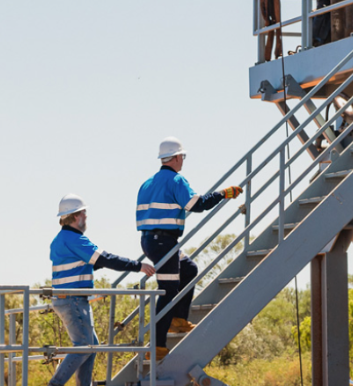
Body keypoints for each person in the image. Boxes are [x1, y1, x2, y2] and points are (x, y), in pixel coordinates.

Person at [137, 136, 243, 361]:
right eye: (182, 157)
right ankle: (157, 346)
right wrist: (223, 194)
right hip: (163, 241)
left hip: (151, 240)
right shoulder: (176, 180)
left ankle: (178, 319)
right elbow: (197, 204)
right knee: (167, 290)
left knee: (188, 268)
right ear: (176, 157)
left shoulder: (147, 183)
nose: (183, 161)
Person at [49, 194, 155, 386]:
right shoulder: (75, 239)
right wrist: (138, 266)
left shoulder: (60, 240)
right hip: (73, 300)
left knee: (91, 346)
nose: (86, 217)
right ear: (76, 216)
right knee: (83, 346)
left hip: (68, 299)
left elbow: (83, 265)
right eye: (84, 213)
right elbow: (105, 259)